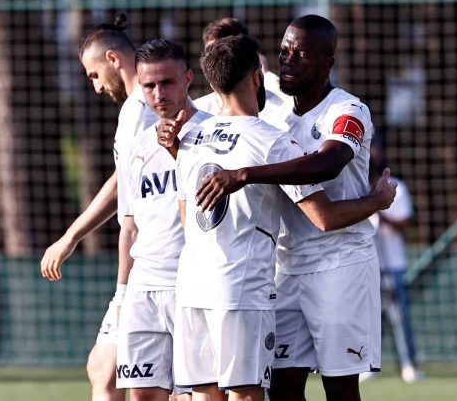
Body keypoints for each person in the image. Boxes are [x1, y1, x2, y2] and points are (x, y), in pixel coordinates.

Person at [157, 34, 395, 401]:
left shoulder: (346, 110)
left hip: (339, 264)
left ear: (327, 59)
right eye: (284, 52)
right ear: (258, 74)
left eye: (300, 53)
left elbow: (329, 167)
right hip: (279, 271)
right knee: (277, 387)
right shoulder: (273, 125)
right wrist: (377, 201)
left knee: (339, 385)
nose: (288, 60)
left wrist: (242, 173)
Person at [39, 15, 158, 401]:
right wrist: (71, 236)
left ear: (113, 58)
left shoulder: (140, 109)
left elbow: (129, 201)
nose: (95, 87)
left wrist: (70, 237)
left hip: (153, 265)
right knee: (103, 369)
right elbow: (123, 179)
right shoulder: (143, 108)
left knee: (150, 385)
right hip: (148, 262)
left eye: (93, 75)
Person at [114, 38, 211, 401]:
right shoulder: (137, 147)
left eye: (167, 82)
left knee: (196, 396)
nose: (158, 93)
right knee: (142, 395)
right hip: (144, 287)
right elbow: (131, 226)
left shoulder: (212, 136)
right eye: (149, 86)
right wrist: (122, 295)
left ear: (187, 78)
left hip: (194, 286)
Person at [360, 135, 423, 384]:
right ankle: (367, 364)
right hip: (365, 263)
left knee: (399, 316)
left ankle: (409, 364)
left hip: (393, 264)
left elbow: (404, 222)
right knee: (366, 317)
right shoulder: (357, 186)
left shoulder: (396, 186)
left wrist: (377, 207)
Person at [193, 17, 289, 117]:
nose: (215, 63)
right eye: (210, 55)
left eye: (223, 56)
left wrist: (267, 76)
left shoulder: (280, 108)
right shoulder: (197, 111)